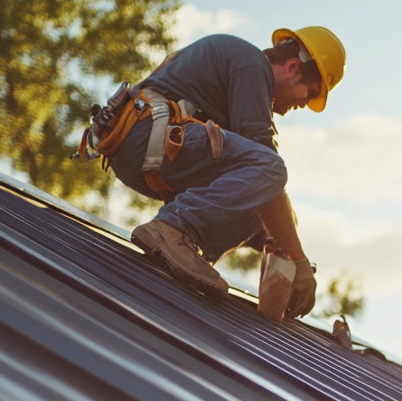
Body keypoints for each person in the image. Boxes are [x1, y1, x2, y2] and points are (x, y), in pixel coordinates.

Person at [91, 26, 344, 318]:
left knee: (259, 208)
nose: (302, 104)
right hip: (148, 138)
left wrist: (282, 255)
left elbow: (259, 192)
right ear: (292, 66)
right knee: (271, 170)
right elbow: (266, 167)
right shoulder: (251, 64)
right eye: (308, 92)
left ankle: (181, 251)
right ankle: (172, 231)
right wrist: (298, 260)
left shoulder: (240, 79)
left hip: (146, 150)